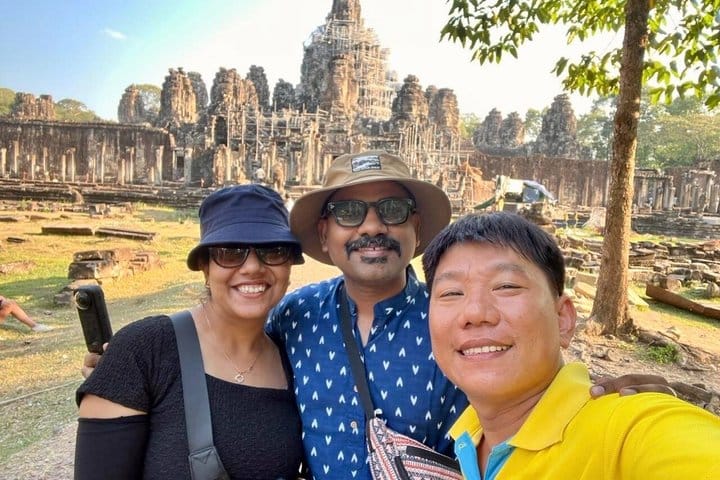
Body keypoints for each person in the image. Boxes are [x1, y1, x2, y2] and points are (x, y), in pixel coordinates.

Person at [82, 151, 675, 479]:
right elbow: (228, 342)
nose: (371, 227)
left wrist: (596, 391)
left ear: (416, 228)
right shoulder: (295, 315)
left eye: (391, 210)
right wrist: (135, 361)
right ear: (324, 234)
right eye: (349, 213)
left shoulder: (453, 319)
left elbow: (531, 383)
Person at [422, 212, 720, 479]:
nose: (475, 313)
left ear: (563, 319)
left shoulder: (628, 431)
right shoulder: (469, 436)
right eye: (451, 293)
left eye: (506, 286)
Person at [74, 185, 306, 479]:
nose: (252, 267)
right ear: (205, 267)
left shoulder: (296, 360)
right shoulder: (143, 350)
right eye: (230, 252)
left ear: (289, 265)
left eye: (273, 250)